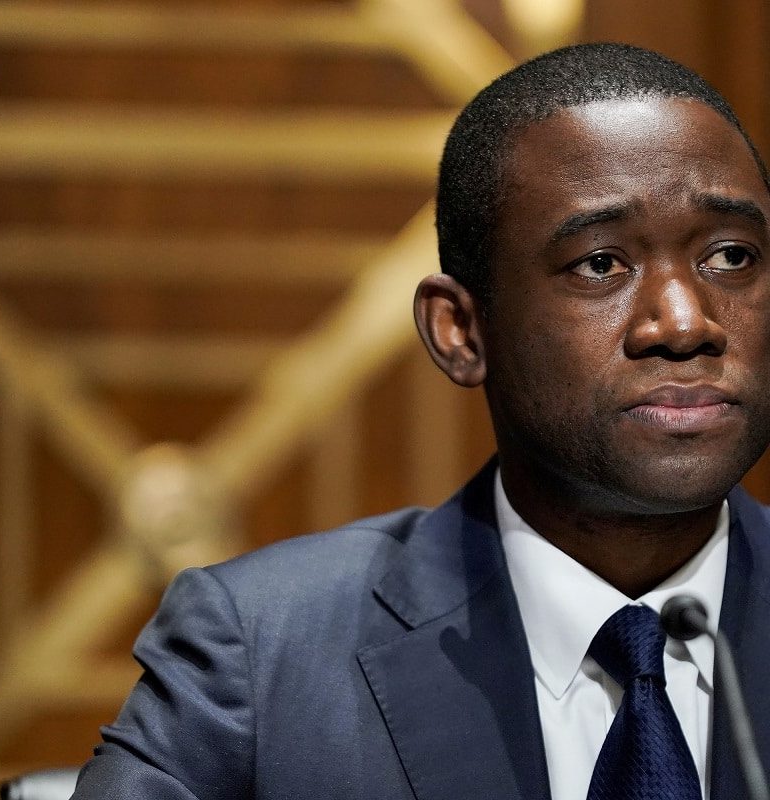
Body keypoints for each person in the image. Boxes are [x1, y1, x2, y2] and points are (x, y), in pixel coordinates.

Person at [71, 42, 770, 800]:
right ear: (460, 331)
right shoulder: (259, 654)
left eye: (731, 256)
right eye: (600, 264)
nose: (685, 322)